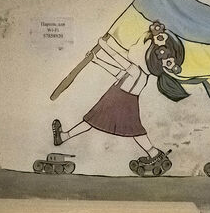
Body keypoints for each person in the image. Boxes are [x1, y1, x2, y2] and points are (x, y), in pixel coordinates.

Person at [52, 24, 185, 175]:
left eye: (142, 46)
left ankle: (154, 153)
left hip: (119, 102)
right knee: (125, 128)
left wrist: (103, 44)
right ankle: (154, 153)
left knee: (98, 122)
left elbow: (117, 58)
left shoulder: (136, 71)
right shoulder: (139, 74)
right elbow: (118, 73)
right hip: (120, 101)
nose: (136, 47)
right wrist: (96, 59)